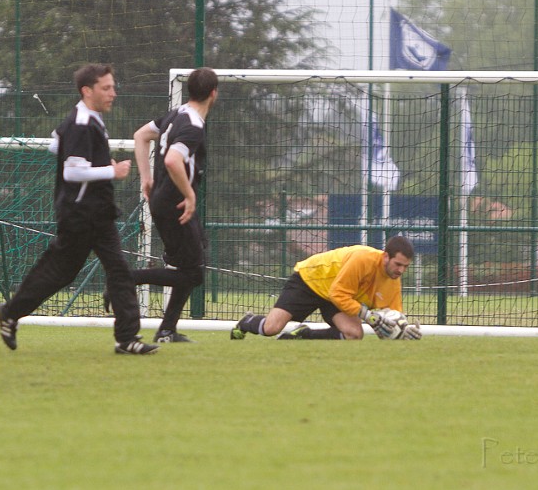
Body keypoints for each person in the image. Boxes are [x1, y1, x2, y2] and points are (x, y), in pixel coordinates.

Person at [0, 63, 158, 355]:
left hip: (96, 212)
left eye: (113, 87)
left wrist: (97, 164)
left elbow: (56, 143)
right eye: (106, 88)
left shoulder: (84, 118)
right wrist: (112, 172)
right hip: (81, 215)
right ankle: (10, 312)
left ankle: (127, 338)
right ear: (87, 90)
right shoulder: (82, 123)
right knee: (61, 272)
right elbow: (72, 172)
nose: (113, 93)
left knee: (118, 271)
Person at [125, 67, 218, 343]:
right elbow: (172, 161)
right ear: (214, 94)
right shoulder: (193, 126)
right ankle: (128, 278)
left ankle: (167, 330)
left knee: (193, 259)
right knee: (194, 274)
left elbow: (140, 135)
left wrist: (146, 178)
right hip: (175, 204)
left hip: (165, 200)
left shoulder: (175, 114)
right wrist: (189, 196)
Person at [230, 235, 421, 340]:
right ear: (386, 256)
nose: (401, 270)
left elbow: (391, 315)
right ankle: (248, 322)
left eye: (405, 266)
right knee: (271, 328)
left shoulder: (394, 279)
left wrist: (403, 331)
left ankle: (303, 334)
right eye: (398, 264)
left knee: (354, 334)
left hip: (337, 295)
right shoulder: (363, 259)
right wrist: (368, 316)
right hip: (310, 280)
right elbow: (338, 293)